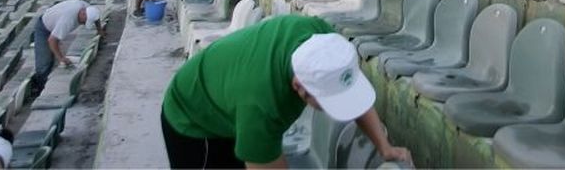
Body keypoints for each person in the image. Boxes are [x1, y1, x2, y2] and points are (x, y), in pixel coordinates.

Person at [160, 15, 411, 169]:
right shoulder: (262, 107)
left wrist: (384, 146)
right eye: (328, 100)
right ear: (299, 88)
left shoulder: (322, 37)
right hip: (191, 117)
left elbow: (352, 92)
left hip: (229, 94)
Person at [32, 0, 103, 95]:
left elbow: (96, 17)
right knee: (44, 63)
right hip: (44, 28)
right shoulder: (67, 20)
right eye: (84, 21)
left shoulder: (86, 7)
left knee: (52, 57)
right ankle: (40, 89)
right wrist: (61, 58)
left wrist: (100, 29)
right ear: (82, 14)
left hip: (55, 23)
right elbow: (52, 40)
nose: (83, 24)